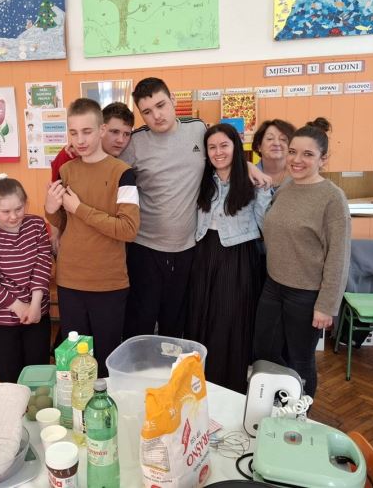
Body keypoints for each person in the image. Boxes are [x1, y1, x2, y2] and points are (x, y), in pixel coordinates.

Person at [121, 77, 270, 339]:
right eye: (147, 112)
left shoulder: (198, 129)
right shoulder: (135, 142)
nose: (156, 116)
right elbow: (107, 169)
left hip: (189, 247)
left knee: (176, 321)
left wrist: (247, 165)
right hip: (145, 248)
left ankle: (173, 366)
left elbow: (222, 152)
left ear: (173, 101)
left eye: (161, 105)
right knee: (140, 321)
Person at [253, 118, 351, 399]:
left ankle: (300, 413)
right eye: (293, 152)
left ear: (323, 159)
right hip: (274, 286)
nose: (297, 160)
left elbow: (339, 256)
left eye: (308, 154)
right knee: (265, 351)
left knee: (300, 359)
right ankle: (277, 403)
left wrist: (326, 306)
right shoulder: (286, 187)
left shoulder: (332, 198)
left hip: (306, 294)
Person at [44, 98, 140, 376]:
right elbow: (63, 222)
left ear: (101, 130)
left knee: (106, 364)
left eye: (87, 131)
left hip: (108, 282)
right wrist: (50, 210)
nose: (80, 140)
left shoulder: (123, 173)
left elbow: (128, 229)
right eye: (73, 133)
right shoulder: (66, 171)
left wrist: (80, 209)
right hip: (70, 280)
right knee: (75, 364)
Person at [186, 124, 272, 393]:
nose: (218, 152)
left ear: (236, 147)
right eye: (212, 147)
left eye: (224, 145)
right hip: (204, 253)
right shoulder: (203, 179)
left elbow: (266, 225)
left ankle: (229, 387)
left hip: (238, 257)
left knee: (230, 321)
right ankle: (200, 384)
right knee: (200, 317)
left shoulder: (253, 182)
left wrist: (261, 185)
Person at [0, 174, 53, 383]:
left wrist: (34, 305)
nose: (14, 217)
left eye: (19, 209)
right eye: (5, 211)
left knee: (39, 376)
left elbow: (43, 264)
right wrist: (17, 306)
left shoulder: (36, 225)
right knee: (9, 378)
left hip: (36, 314)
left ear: (26, 203)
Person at [50, 101, 135, 181]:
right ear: (101, 129)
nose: (121, 140)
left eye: (127, 134)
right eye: (114, 132)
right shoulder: (69, 154)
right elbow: (54, 189)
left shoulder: (128, 159)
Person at [252, 119, 296, 192]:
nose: (276, 143)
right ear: (259, 146)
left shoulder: (299, 176)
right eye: (270, 139)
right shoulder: (248, 175)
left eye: (283, 139)